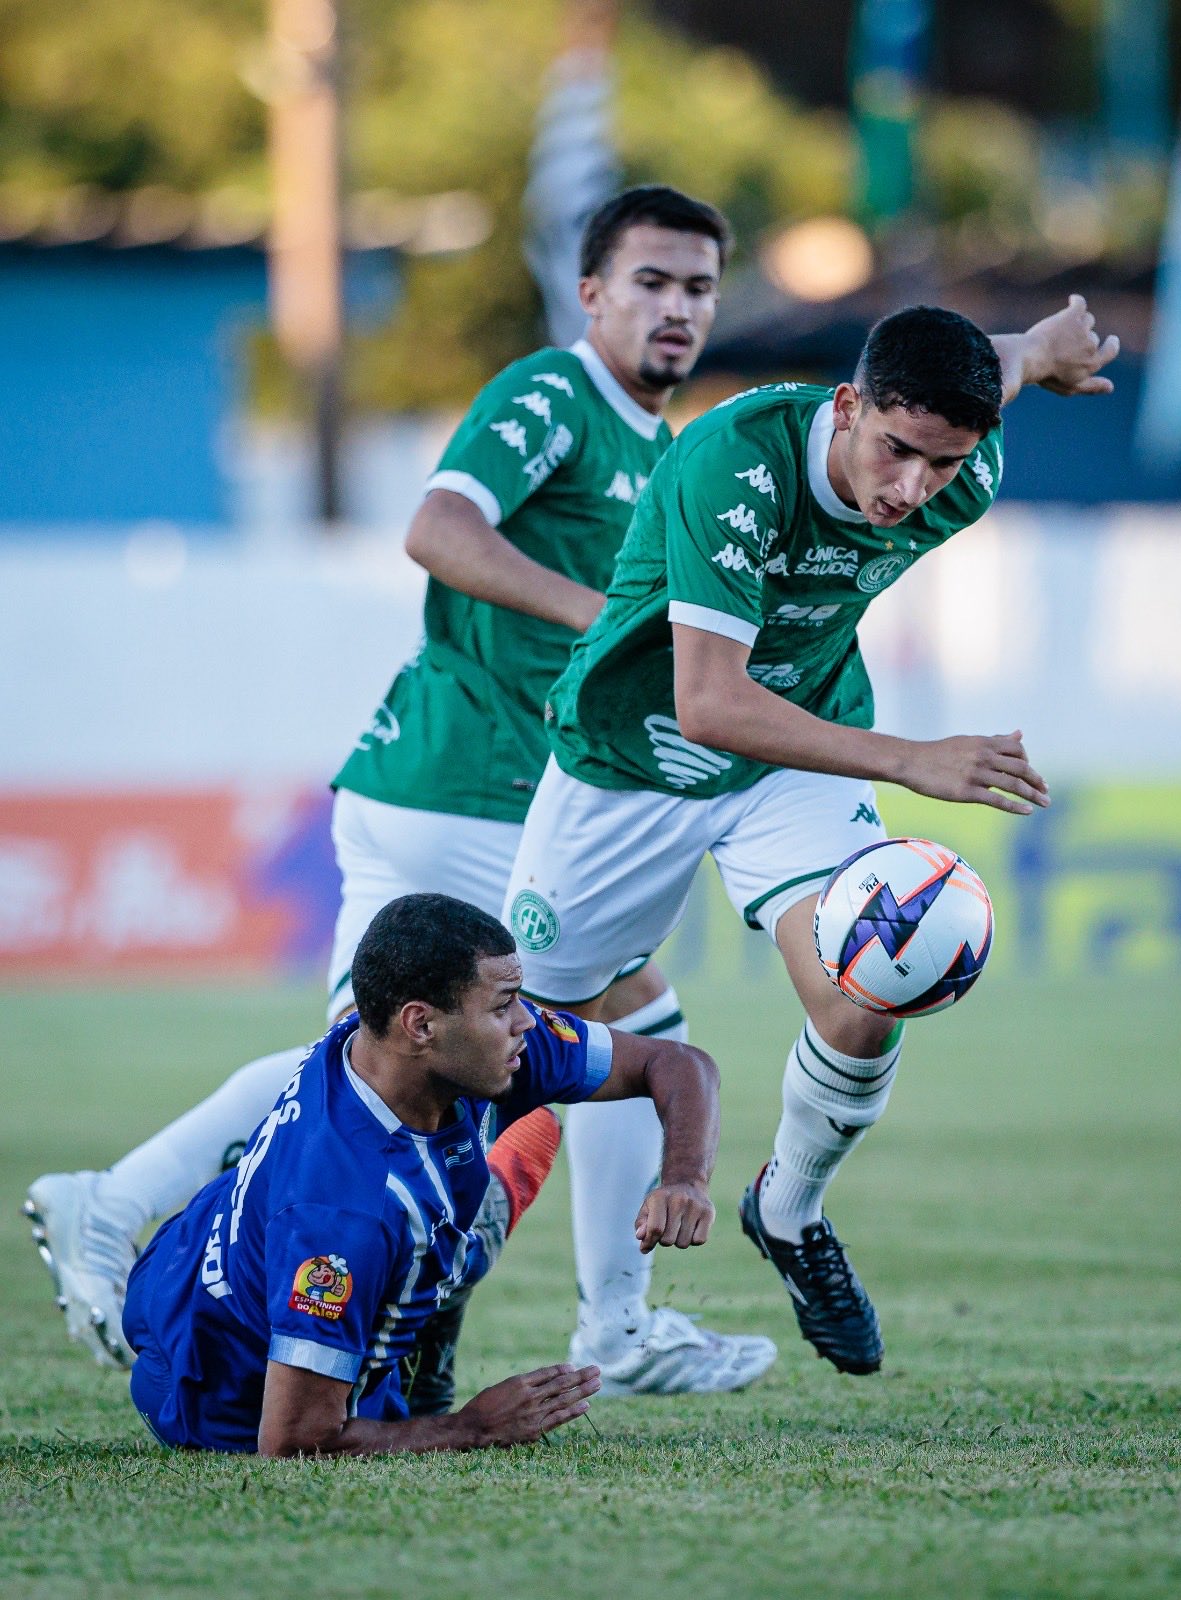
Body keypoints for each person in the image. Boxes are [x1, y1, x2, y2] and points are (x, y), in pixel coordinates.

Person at [26, 185, 777, 1398]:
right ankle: (620, 1324)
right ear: (591, 293)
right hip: (467, 779)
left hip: (450, 786)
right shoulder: (552, 393)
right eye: (650, 281)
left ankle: (110, 1201)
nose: (676, 308)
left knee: (359, 1065)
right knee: (635, 1021)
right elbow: (436, 527)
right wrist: (611, 621)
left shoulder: (659, 444)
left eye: (697, 286)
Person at [502, 297, 1120, 1376]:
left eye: (940, 464)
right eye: (894, 451)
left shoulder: (960, 468)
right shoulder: (732, 463)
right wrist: (911, 758)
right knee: (509, 1050)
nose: (910, 488)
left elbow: (991, 372)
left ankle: (786, 1212)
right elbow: (707, 703)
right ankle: (422, 1291)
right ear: (845, 406)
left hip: (792, 757)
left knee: (871, 981)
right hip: (627, 760)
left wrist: (1036, 350)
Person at [121, 893, 724, 1455]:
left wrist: (684, 1178)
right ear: (421, 1024)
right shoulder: (343, 1215)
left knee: (446, 1198)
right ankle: (454, 1260)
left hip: (185, 1262)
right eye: (503, 1005)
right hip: (217, 1397)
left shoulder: (396, 1044)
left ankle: (456, 1246)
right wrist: (473, 1426)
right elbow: (291, 1442)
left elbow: (679, 1065)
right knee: (415, 1234)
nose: (529, 1023)